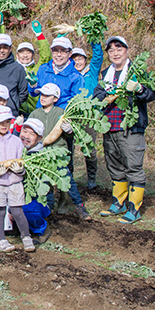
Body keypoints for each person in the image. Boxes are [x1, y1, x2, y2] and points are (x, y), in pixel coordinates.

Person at [94, 36, 155, 224]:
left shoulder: (137, 72)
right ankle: (118, 202)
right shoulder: (106, 73)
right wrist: (107, 94)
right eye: (111, 50)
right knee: (114, 166)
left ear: (127, 50)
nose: (115, 52)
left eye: (119, 48)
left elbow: (152, 94)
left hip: (130, 128)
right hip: (109, 127)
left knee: (133, 167)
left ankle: (134, 209)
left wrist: (138, 88)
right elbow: (98, 94)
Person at [28, 83, 91, 220]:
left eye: (46, 95)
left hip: (58, 153)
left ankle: (79, 207)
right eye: (41, 95)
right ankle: (48, 209)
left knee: (67, 180)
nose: (42, 98)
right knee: (44, 182)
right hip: (41, 153)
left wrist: (69, 130)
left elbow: (69, 136)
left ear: (55, 98)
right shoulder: (35, 114)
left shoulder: (60, 113)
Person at [0, 105, 35, 253]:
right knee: (0, 211)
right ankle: (1, 240)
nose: (4, 126)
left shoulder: (16, 142)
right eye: (0, 123)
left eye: (7, 122)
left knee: (17, 211)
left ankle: (26, 237)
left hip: (14, 182)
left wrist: (20, 170)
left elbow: (22, 161)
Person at [71, 43, 104, 190]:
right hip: (72, 115)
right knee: (68, 148)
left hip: (89, 115)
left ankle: (91, 179)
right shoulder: (70, 74)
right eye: (74, 59)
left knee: (89, 148)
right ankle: (69, 178)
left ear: (85, 60)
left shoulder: (92, 72)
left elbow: (98, 56)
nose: (77, 62)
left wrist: (94, 39)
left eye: (80, 58)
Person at [18, 118, 53, 244]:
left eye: (32, 134)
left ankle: (41, 230)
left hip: (38, 199)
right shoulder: (14, 148)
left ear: (39, 138)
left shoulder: (43, 156)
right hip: (14, 195)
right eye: (25, 131)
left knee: (27, 208)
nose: (26, 136)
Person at [29, 37, 83, 109]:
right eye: (55, 50)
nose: (59, 54)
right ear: (51, 51)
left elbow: (76, 102)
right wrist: (33, 86)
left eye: (63, 51)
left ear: (70, 53)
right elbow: (34, 94)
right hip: (41, 113)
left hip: (62, 116)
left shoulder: (76, 77)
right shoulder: (43, 69)